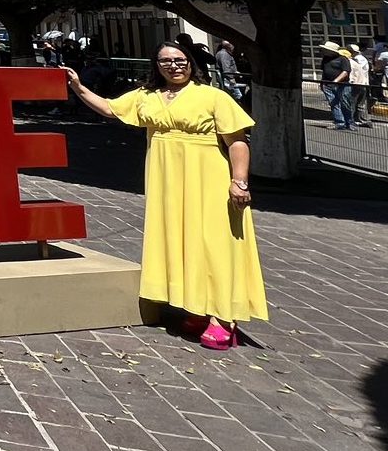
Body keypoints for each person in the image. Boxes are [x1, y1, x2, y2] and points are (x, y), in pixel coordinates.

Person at [64, 44, 267, 350]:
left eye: (180, 60)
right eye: (166, 61)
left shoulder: (213, 96)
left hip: (207, 176)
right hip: (166, 178)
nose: (174, 66)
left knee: (214, 243)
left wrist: (239, 181)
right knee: (182, 240)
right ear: (156, 65)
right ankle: (197, 306)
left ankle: (224, 317)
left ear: (191, 63)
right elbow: (109, 109)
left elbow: (237, 141)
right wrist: (78, 87)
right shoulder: (146, 95)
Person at [319, 41, 353, 129]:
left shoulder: (343, 59)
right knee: (333, 103)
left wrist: (336, 81)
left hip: (342, 84)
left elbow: (345, 72)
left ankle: (349, 122)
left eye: (325, 50)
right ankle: (339, 122)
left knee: (345, 103)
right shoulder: (325, 59)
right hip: (327, 84)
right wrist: (322, 83)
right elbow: (324, 71)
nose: (323, 51)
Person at [347, 45, 374, 129]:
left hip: (358, 83)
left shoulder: (358, 59)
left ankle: (355, 119)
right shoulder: (358, 59)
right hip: (362, 83)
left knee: (354, 102)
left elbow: (355, 70)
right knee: (359, 103)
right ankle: (358, 119)